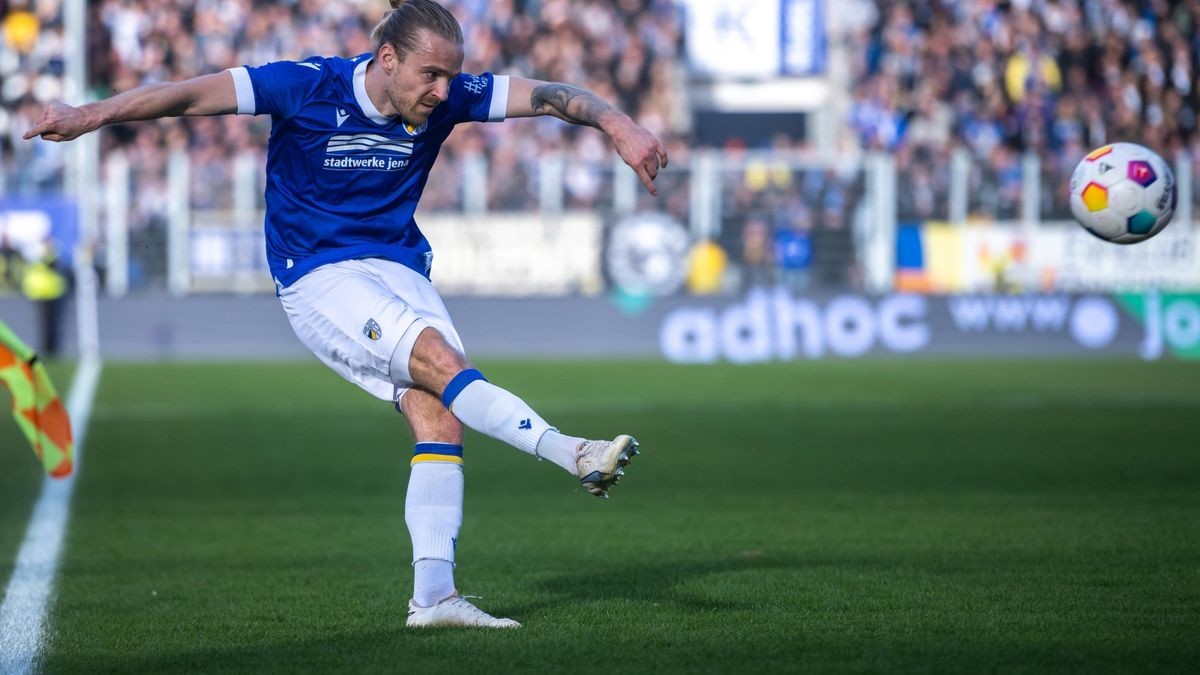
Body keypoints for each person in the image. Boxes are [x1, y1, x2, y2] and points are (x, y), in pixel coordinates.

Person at [24, 0, 668, 629]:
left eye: (452, 76)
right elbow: (188, 96)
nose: (445, 93)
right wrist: (90, 115)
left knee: (441, 416)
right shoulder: (303, 85)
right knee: (444, 364)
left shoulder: (450, 96)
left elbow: (549, 93)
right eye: (432, 76)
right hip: (316, 274)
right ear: (386, 59)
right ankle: (573, 452)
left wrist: (618, 124)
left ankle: (434, 599)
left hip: (396, 266)